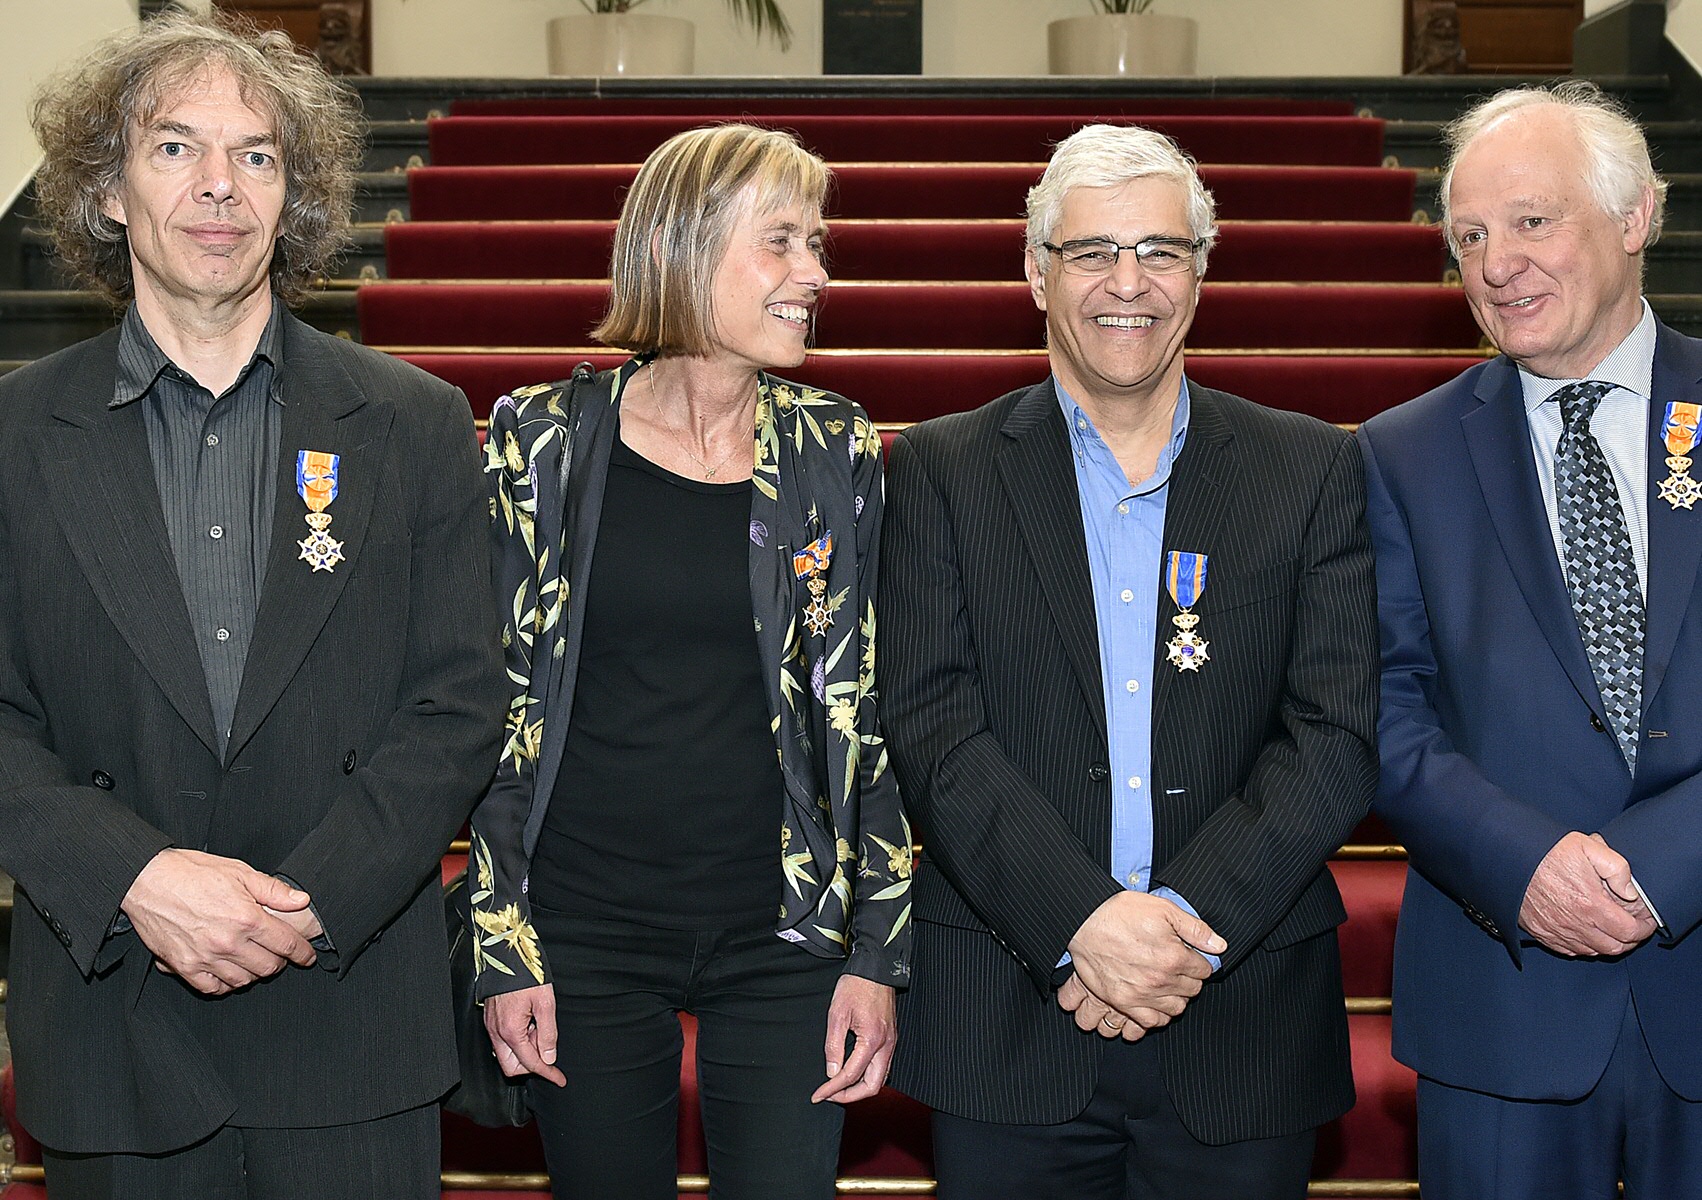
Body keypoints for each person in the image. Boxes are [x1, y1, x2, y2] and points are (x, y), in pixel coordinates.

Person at [0, 13, 505, 1200]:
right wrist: (138, 876)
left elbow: (459, 704)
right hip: (113, 1021)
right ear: (107, 190)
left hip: (348, 1023)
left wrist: (301, 907)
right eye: (174, 148)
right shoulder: (16, 434)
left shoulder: (417, 422)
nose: (220, 187)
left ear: (297, 192)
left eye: (258, 155)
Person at [877, 122, 1378, 1200]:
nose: (1128, 283)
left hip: (1242, 1021)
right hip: (1011, 1017)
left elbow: (1334, 733)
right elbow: (930, 729)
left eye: (1159, 250)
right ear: (1034, 272)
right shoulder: (939, 470)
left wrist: (1177, 937)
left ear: (1200, 273)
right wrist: (1081, 921)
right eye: (1092, 251)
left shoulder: (1311, 466)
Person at [468, 122, 913, 1200]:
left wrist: (876, 951)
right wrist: (501, 941)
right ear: (680, 249)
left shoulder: (832, 444)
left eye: (818, 244)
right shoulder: (543, 439)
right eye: (781, 243)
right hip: (585, 924)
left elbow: (869, 710)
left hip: (784, 927)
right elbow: (493, 709)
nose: (814, 274)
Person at [1357, 82, 1702, 1199]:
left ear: (1634, 217)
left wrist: (1659, 867)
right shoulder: (1399, 455)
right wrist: (1524, 865)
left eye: (1531, 220)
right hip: (1500, 1003)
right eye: (1469, 235)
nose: (1496, 261)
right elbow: (1379, 709)